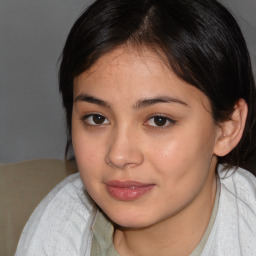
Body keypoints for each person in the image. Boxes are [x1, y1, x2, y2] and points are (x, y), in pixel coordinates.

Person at [15, 0, 256, 255]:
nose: (119, 155)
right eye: (97, 118)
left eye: (159, 120)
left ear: (228, 127)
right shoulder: (54, 229)